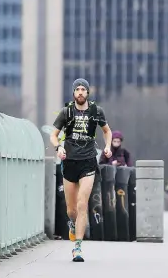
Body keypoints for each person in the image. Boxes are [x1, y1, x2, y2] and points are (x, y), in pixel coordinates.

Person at [50, 78, 112, 262]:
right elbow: (54, 135)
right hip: (69, 162)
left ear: (87, 93)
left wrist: (107, 146)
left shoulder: (96, 111)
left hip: (88, 161)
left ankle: (77, 248)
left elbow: (107, 131)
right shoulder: (66, 111)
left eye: (83, 89)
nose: (80, 92)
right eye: (77, 89)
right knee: (71, 210)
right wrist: (59, 147)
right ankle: (72, 224)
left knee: (82, 204)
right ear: (73, 93)